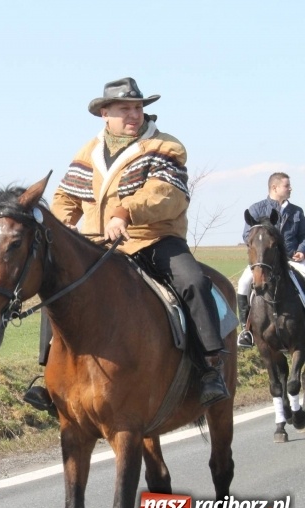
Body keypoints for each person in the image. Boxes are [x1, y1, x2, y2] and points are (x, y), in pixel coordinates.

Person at [25, 77, 230, 413]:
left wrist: (125, 212)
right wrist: (62, 224)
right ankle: (50, 377)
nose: (134, 114)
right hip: (97, 247)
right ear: (104, 113)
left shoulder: (166, 147)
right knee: (57, 285)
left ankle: (210, 367)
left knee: (193, 281)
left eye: (138, 107)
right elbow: (65, 195)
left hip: (152, 239)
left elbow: (167, 194)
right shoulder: (89, 152)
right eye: (125, 108)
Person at [237, 172, 305, 347]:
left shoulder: (297, 211)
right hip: (264, 261)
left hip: (292, 260)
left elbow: (303, 236)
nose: (290, 188)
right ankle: (246, 330)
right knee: (244, 283)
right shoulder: (256, 209)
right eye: (287, 185)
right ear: (274, 187)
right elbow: (247, 235)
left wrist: (301, 250)